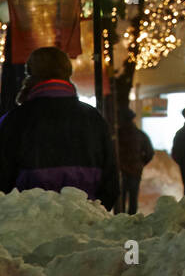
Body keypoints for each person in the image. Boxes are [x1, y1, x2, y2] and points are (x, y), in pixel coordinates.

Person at [0, 45, 118, 208]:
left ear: (30, 75)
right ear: (68, 74)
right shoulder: (93, 118)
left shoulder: (14, 120)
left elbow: (3, 178)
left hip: (29, 224)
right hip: (86, 223)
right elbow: (111, 181)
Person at [117, 107, 154, 214]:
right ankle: (132, 220)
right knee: (133, 198)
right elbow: (150, 153)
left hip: (121, 171)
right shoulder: (140, 134)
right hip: (135, 171)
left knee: (121, 198)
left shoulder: (117, 134)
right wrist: (141, 163)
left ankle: (120, 219)